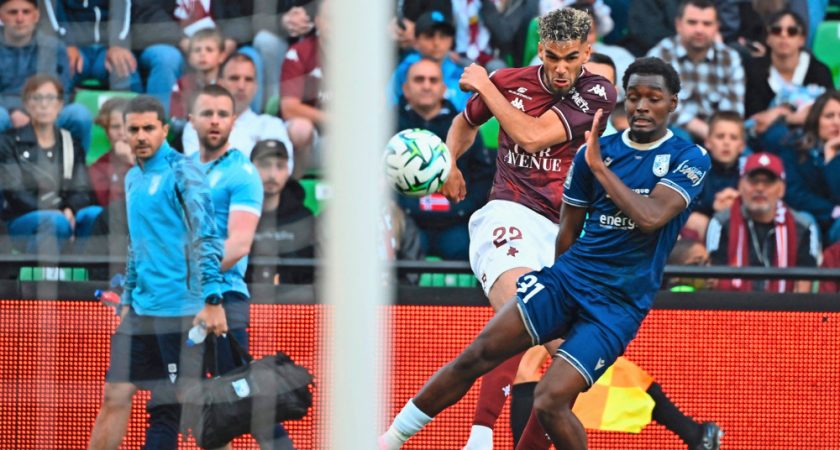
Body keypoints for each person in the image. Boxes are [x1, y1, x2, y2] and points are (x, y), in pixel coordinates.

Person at [380, 56, 710, 450]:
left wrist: (599, 169)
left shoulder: (687, 157)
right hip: (562, 273)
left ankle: (481, 434)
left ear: (672, 102)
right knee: (482, 353)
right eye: (634, 96)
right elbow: (568, 230)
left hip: (617, 305)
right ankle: (393, 440)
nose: (641, 106)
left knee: (551, 398)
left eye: (653, 98)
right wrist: (556, 282)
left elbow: (651, 216)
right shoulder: (595, 149)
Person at [385, 8, 617, 449]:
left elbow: (532, 136)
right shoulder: (510, 81)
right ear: (540, 50)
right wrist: (450, 161)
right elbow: (464, 122)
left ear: (587, 52)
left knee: (569, 363)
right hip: (510, 213)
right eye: (552, 57)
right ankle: (431, 437)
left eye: (571, 57)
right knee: (525, 310)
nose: (562, 68)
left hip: (566, 233)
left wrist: (485, 85)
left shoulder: (598, 91)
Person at [87, 95, 227, 450]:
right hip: (140, 311)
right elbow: (138, 244)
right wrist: (128, 299)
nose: (140, 136)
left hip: (182, 311)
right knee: (114, 395)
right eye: (133, 129)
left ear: (165, 129)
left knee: (194, 406)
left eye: (148, 128)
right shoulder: (133, 177)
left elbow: (207, 235)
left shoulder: (184, 171)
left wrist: (213, 298)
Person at [188, 84, 296, 449]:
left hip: (224, 297)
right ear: (192, 120)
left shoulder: (243, 172)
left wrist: (188, 278)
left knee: (244, 402)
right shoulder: (180, 171)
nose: (215, 121)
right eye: (207, 113)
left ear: (234, 121)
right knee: (202, 410)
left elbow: (238, 245)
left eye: (222, 114)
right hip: (178, 299)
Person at [396, 58, 494, 261]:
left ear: (443, 88)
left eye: (433, 80)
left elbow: (483, 177)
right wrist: (403, 206)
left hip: (457, 223)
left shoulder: (464, 125)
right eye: (419, 79)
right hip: (407, 222)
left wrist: (463, 209)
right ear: (405, 88)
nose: (426, 86)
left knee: (476, 253)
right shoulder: (387, 124)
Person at [0, 75, 100, 254]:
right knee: (54, 222)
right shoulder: (8, 141)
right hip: (22, 219)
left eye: (51, 98)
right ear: (26, 104)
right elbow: (15, 192)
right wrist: (57, 212)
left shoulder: (71, 142)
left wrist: (70, 209)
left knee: (95, 215)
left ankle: (87, 271)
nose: (44, 105)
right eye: (37, 98)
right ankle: (41, 272)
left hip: (63, 215)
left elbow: (82, 189)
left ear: (60, 104)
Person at [706, 152, 820, 293]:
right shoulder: (721, 223)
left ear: (781, 189)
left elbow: (804, 286)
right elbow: (714, 279)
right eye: (753, 181)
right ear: (740, 185)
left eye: (768, 182)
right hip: (732, 304)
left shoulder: (803, 227)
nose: (760, 188)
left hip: (785, 305)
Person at [0, 0, 93, 149]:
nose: (20, 18)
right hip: (7, 114)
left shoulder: (54, 47)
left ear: (36, 15)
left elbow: (63, 91)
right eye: (13, 12)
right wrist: (14, 111)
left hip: (48, 112)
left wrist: (39, 112)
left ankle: (75, 163)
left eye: (26, 12)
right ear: (1, 16)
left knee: (79, 115)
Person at [647, 0, 744, 142]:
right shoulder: (660, 56)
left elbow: (734, 111)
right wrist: (703, 130)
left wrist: (717, 135)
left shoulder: (729, 58)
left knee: (744, 150)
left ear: (717, 27)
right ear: (678, 25)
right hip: (677, 131)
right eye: (692, 22)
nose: (699, 29)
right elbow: (660, 105)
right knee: (678, 137)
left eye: (707, 24)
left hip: (720, 137)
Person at [183, 53, 294, 165]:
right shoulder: (196, 125)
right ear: (220, 83)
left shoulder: (271, 125)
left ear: (256, 86)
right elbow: (200, 169)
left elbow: (282, 168)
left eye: (248, 79)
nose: (241, 86)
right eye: (234, 78)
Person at [744, 9, 834, 145]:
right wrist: (789, 115)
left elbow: (828, 113)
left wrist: (781, 115)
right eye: (776, 30)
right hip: (764, 143)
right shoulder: (752, 69)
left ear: (802, 39)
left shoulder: (820, 71)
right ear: (768, 38)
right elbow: (755, 119)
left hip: (812, 142)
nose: (784, 35)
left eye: (792, 31)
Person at [248, 138, 317, 284]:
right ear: (250, 168)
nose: (272, 174)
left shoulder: (304, 219)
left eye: (280, 166)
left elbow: (313, 276)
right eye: (265, 165)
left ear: (287, 171)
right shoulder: (235, 215)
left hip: (296, 298)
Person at [775, 90, 840, 244]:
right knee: (805, 220)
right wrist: (831, 210)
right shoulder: (794, 147)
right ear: (816, 119)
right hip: (811, 218)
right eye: (829, 116)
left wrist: (831, 157)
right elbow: (794, 194)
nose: (836, 122)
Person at [47, 0, 143, 93]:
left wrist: (117, 43)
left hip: (107, 48)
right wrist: (67, 43)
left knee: (126, 68)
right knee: (58, 72)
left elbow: (121, 7)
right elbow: (52, 9)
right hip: (73, 47)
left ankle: (135, 105)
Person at [388, 10, 472, 112]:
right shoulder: (404, 70)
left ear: (451, 41)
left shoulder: (461, 74)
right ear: (416, 41)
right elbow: (388, 108)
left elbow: (467, 114)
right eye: (429, 36)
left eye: (443, 36)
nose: (436, 43)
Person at [281, 1, 327, 177]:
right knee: (300, 128)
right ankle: (296, 184)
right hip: (313, 134)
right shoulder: (300, 52)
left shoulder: (360, 56)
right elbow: (288, 108)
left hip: (348, 133)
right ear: (317, 21)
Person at [683, 111, 747, 241]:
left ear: (742, 146)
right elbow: (681, 207)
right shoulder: (694, 169)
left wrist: (739, 203)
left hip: (741, 227)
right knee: (695, 220)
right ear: (708, 142)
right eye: (720, 136)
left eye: (733, 138)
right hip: (703, 232)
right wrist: (713, 205)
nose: (726, 143)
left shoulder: (749, 172)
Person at [169, 28, 227, 120]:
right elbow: (176, 120)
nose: (202, 54)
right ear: (189, 57)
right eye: (197, 50)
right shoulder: (182, 85)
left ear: (222, 56)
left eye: (209, 50)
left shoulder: (228, 85)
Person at [88, 98, 134, 207]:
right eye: (115, 127)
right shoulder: (98, 168)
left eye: (128, 126)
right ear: (106, 131)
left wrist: (132, 162)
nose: (122, 132)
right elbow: (113, 207)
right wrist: (126, 164)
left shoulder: (155, 159)